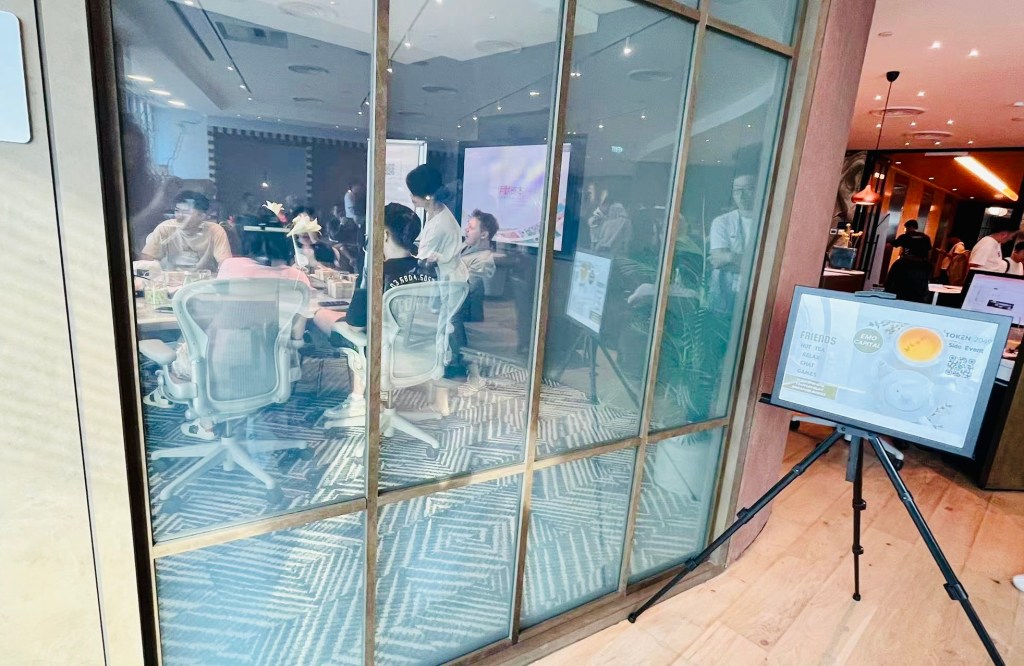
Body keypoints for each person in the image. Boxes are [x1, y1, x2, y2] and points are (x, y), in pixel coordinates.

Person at [317, 203, 435, 421]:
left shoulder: (377, 274)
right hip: (424, 353)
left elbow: (355, 325)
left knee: (333, 321)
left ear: (384, 234)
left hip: (386, 356)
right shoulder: (430, 271)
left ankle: (357, 400)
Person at [139, 191, 232, 271]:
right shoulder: (166, 228)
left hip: (204, 281)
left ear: (201, 216)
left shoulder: (215, 231)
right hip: (171, 280)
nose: (179, 216)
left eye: (186, 212)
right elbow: (146, 260)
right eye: (177, 211)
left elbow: (225, 264)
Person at [406, 164, 469, 283]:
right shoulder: (436, 210)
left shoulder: (438, 226)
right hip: (448, 278)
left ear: (428, 197)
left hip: (447, 284)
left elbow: (421, 261)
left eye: (414, 193)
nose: (411, 196)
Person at [708, 174, 757, 313]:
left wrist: (730, 257)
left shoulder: (770, 221)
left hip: (756, 294)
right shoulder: (722, 222)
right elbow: (717, 261)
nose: (741, 195)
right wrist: (754, 264)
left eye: (747, 189)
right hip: (725, 295)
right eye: (737, 190)